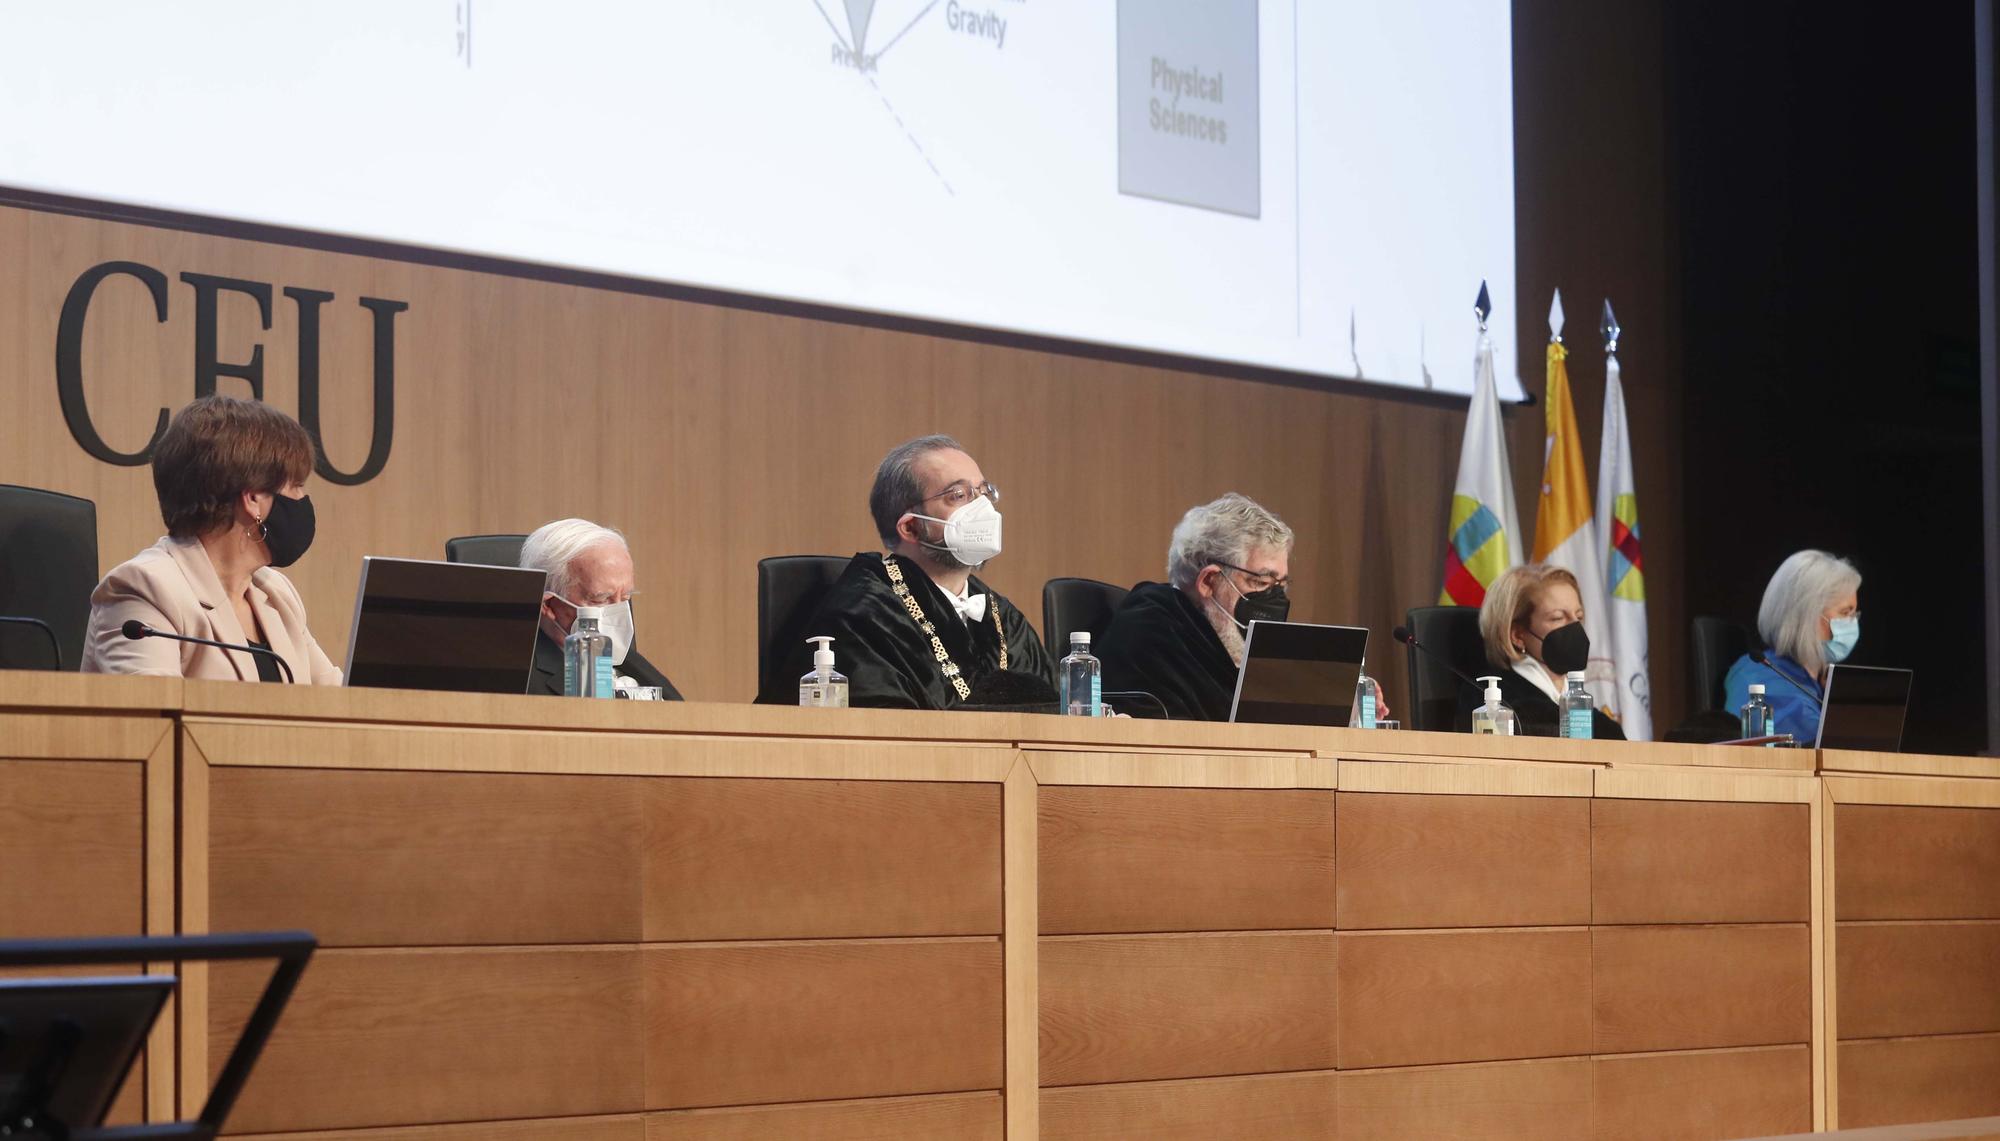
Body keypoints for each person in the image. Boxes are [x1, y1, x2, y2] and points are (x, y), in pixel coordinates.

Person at [762, 434, 1053, 708]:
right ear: (911, 527)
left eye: (984, 491)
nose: (982, 508)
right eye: (959, 495)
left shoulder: (1004, 619)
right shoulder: (863, 616)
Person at [82, 395, 340, 683]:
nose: (302, 500)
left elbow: (342, 702)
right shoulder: (145, 589)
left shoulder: (276, 593)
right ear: (253, 498)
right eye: (296, 486)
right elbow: (156, 717)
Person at [1096, 493, 1296, 720]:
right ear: (1209, 582)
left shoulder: (1233, 651)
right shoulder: (1150, 638)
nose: (1275, 598)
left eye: (1281, 584)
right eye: (1261, 583)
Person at [519, 518, 682, 698]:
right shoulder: (518, 679)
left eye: (626, 597)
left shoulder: (631, 663)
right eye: (601, 599)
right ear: (548, 605)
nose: (617, 611)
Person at [1466, 563, 1626, 738]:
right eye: (1557, 617)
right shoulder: (1491, 701)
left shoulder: (1591, 715)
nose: (1575, 626)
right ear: (1518, 635)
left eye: (1578, 616)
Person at [1722, 549, 1861, 743]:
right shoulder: (1756, 674)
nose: (1853, 621)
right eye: (1846, 612)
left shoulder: (1817, 682)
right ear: (1807, 617)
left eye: (1855, 613)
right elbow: (1819, 743)